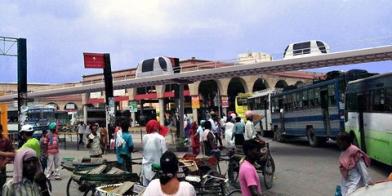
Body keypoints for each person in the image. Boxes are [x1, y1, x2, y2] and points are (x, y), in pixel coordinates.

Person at [337, 131, 371, 196]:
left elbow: (363, 170)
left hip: (355, 184)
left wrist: (368, 184)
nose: (338, 144)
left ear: (345, 142)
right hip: (347, 184)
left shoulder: (355, 153)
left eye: (340, 142)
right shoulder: (344, 151)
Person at [142, 120, 168, 186]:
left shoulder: (145, 137)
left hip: (145, 167)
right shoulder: (161, 138)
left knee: (146, 189)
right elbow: (165, 154)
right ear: (157, 128)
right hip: (156, 168)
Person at [0, 124, 15, 194]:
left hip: (1, 169)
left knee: (2, 188)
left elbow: (13, 153)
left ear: (1, 131)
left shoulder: (6, 140)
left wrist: (5, 162)